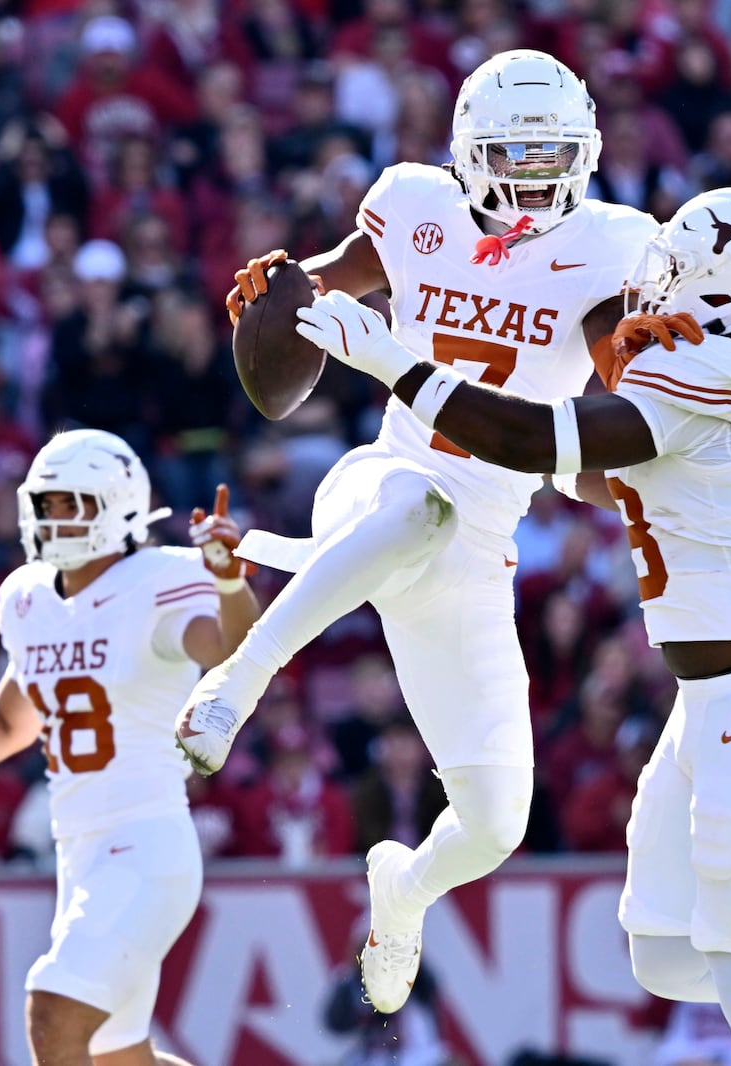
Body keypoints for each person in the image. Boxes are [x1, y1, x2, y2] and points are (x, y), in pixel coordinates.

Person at [295, 187, 731, 1066]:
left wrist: (399, 368)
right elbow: (605, 465)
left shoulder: (702, 376)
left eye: (678, 269)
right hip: (729, 697)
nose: (655, 285)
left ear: (720, 289)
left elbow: (533, 439)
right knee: (669, 954)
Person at [178, 49, 659, 1014]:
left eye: (551, 152)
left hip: (484, 545)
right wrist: (277, 296)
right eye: (514, 152)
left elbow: (616, 425)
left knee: (494, 825)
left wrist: (651, 435)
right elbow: (311, 299)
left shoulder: (613, 248)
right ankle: (237, 683)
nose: (533, 173)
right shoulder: (412, 203)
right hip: (385, 479)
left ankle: (400, 892)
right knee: (416, 508)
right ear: (469, 151)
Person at [0, 428, 261, 1066]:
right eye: (46, 503)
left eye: (70, 503)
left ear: (118, 506)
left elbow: (231, 651)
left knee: (52, 1015)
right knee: (119, 1058)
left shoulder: (157, 580)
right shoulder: (29, 599)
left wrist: (228, 586)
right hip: (80, 853)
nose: (52, 518)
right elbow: (10, 722)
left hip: (144, 844)